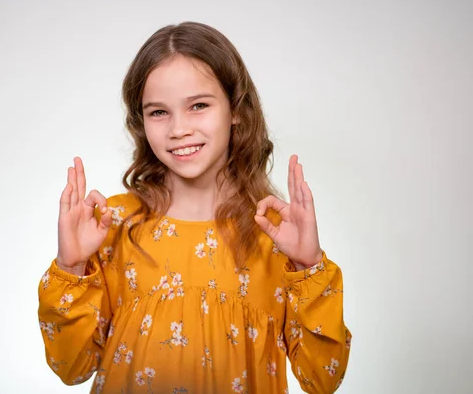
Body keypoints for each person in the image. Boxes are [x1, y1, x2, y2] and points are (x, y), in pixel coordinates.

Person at [37, 21, 351, 394]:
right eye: (158, 112)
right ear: (142, 121)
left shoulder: (276, 235)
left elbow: (322, 378)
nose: (178, 129)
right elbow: (72, 367)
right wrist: (70, 267)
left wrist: (309, 266)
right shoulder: (112, 225)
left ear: (235, 109)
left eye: (198, 105)